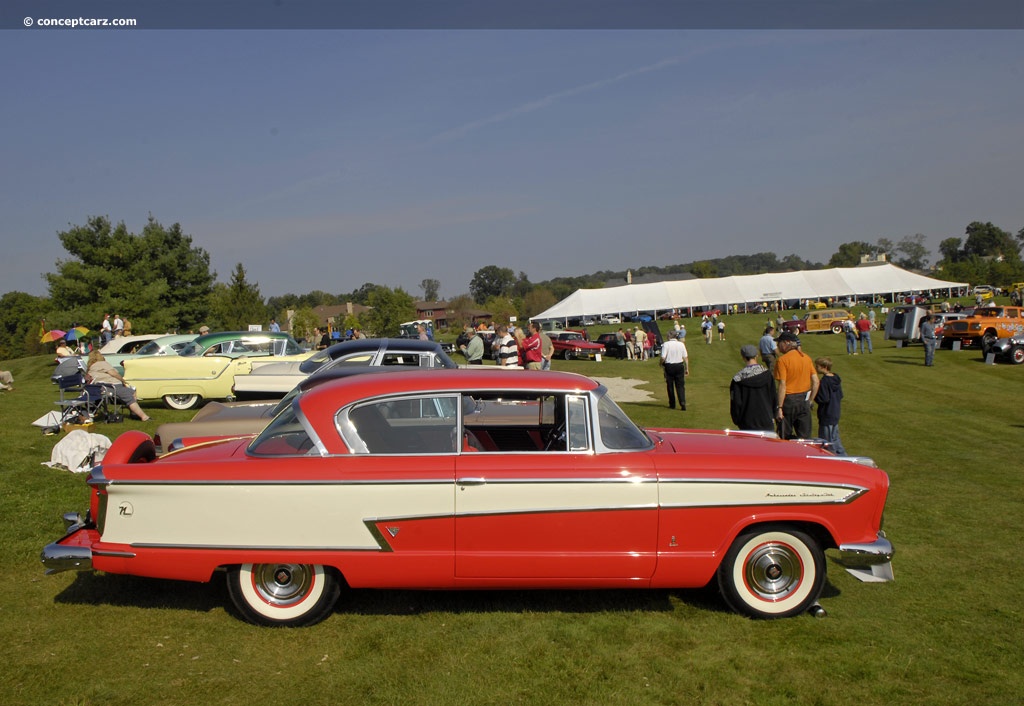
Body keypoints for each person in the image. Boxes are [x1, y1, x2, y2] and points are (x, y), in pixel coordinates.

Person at [773, 331, 819, 440]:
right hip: (804, 399)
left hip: (788, 400)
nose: (778, 346)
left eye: (779, 343)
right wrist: (810, 400)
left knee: (784, 436)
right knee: (805, 437)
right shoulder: (806, 358)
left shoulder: (782, 360)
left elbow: (782, 385)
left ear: (787, 343)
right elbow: (816, 382)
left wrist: (779, 407)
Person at [84, 350, 151, 422]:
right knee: (129, 394)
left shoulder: (91, 367)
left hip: (98, 388)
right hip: (111, 386)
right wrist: (123, 380)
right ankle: (143, 416)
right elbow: (114, 374)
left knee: (131, 391)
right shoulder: (102, 363)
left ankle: (134, 412)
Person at [730, 344, 776, 432]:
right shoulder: (767, 375)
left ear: (743, 357)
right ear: (756, 356)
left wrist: (737, 420)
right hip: (766, 418)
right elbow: (773, 396)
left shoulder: (738, 379)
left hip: (747, 421)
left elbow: (736, 403)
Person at [813, 357, 846, 455]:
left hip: (826, 413)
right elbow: (840, 395)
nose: (816, 368)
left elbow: (823, 398)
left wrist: (814, 395)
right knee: (835, 438)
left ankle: (833, 457)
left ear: (824, 367)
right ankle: (842, 456)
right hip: (835, 412)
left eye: (817, 366)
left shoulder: (824, 381)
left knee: (826, 441)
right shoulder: (836, 379)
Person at [659, 330, 689, 410]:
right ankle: (682, 402)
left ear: (669, 336)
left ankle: (672, 403)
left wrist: (660, 363)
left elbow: (663, 357)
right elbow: (685, 357)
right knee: (680, 386)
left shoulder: (666, 344)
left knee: (670, 386)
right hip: (679, 365)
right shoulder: (681, 344)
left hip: (669, 366)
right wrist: (687, 368)